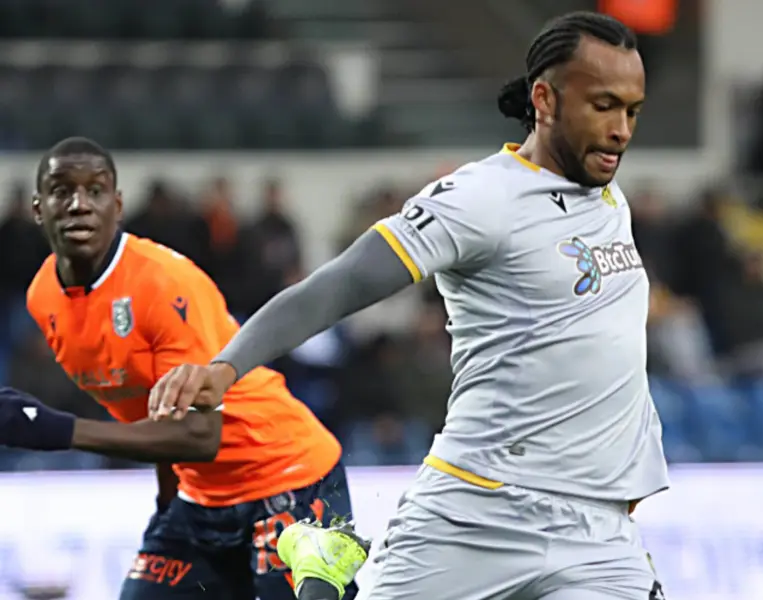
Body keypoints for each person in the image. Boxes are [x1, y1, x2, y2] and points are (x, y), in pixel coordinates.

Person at [148, 11, 669, 600]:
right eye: (604, 106)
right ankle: (322, 564)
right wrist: (225, 367)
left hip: (599, 536)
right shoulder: (482, 198)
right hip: (481, 510)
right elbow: (342, 282)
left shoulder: (607, 195)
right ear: (545, 99)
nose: (622, 130)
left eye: (633, 111)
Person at [0, 137, 366, 600]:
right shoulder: (43, 298)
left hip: (288, 477)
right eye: (61, 190)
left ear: (118, 206)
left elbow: (200, 435)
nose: (79, 204)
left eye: (95, 191)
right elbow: (150, 408)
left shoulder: (162, 282)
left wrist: (58, 430)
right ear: (37, 208)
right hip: (199, 499)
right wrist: (167, 502)